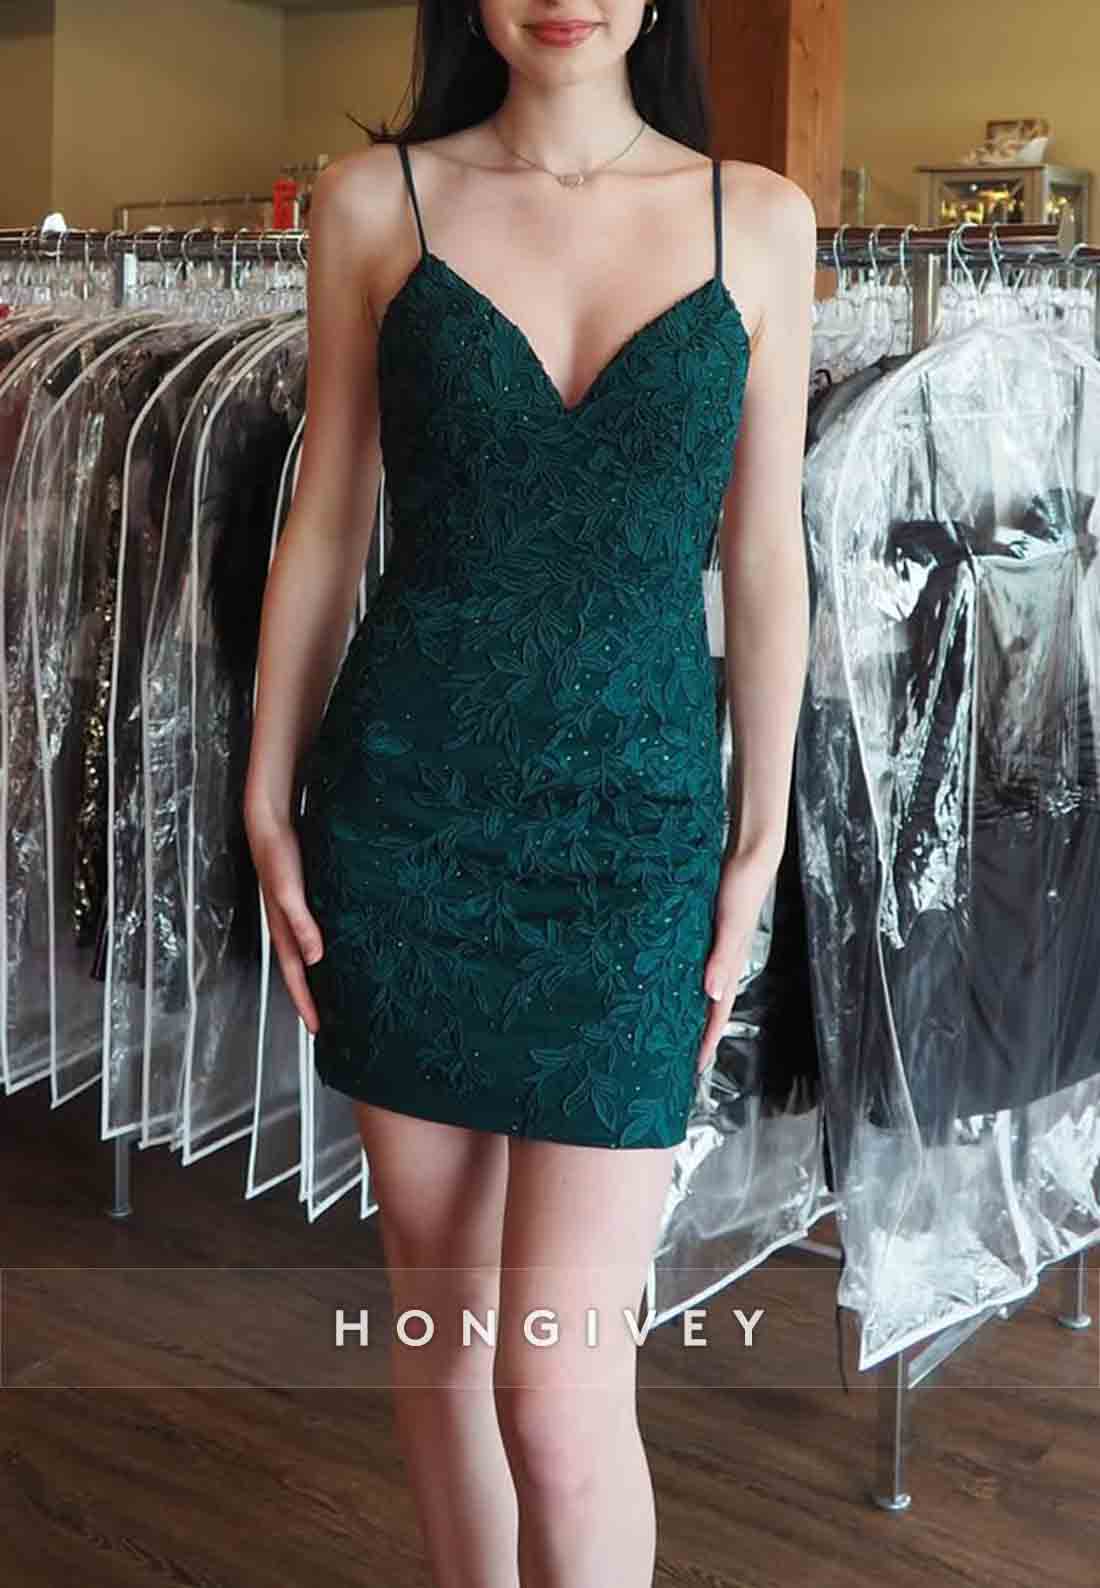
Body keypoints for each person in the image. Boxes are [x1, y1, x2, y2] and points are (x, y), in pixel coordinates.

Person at [244, 2, 814, 1583]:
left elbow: (767, 554)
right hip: (408, 813)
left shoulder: (759, 219)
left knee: (558, 1391)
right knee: (441, 1327)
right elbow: (324, 518)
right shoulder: (377, 203)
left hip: (636, 838)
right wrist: (266, 794)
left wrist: (759, 836)